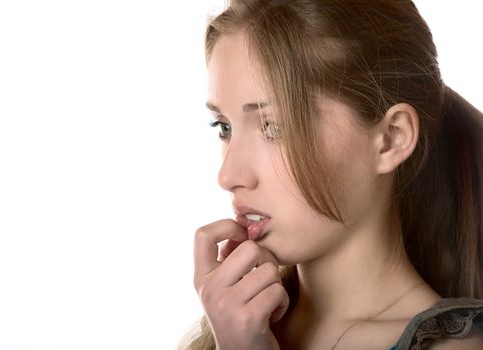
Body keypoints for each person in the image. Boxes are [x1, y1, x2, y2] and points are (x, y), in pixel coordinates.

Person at [179, 1, 483, 349]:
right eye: (224, 127)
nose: (228, 175)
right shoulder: (234, 323)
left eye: (273, 126)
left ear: (390, 139)